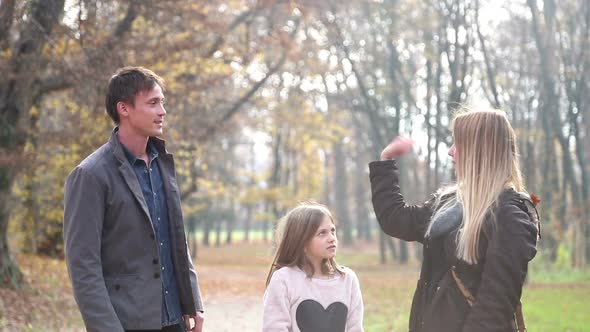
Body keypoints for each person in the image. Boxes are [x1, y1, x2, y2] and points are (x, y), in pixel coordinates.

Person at [369, 109, 539, 332]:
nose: (450, 151)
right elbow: (396, 220)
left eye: (458, 144)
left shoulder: (509, 216)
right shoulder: (449, 205)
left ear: (480, 151)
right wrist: (385, 162)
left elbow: (494, 309)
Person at [64, 67, 204, 332]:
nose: (162, 111)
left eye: (162, 102)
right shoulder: (90, 175)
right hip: (126, 323)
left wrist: (193, 302)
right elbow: (83, 267)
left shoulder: (162, 164)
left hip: (175, 320)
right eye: (153, 103)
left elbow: (175, 238)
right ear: (124, 109)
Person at [262, 203, 364, 332]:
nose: (332, 238)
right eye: (322, 233)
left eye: (333, 231)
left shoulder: (348, 280)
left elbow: (355, 328)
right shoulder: (284, 279)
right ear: (302, 241)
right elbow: (274, 328)